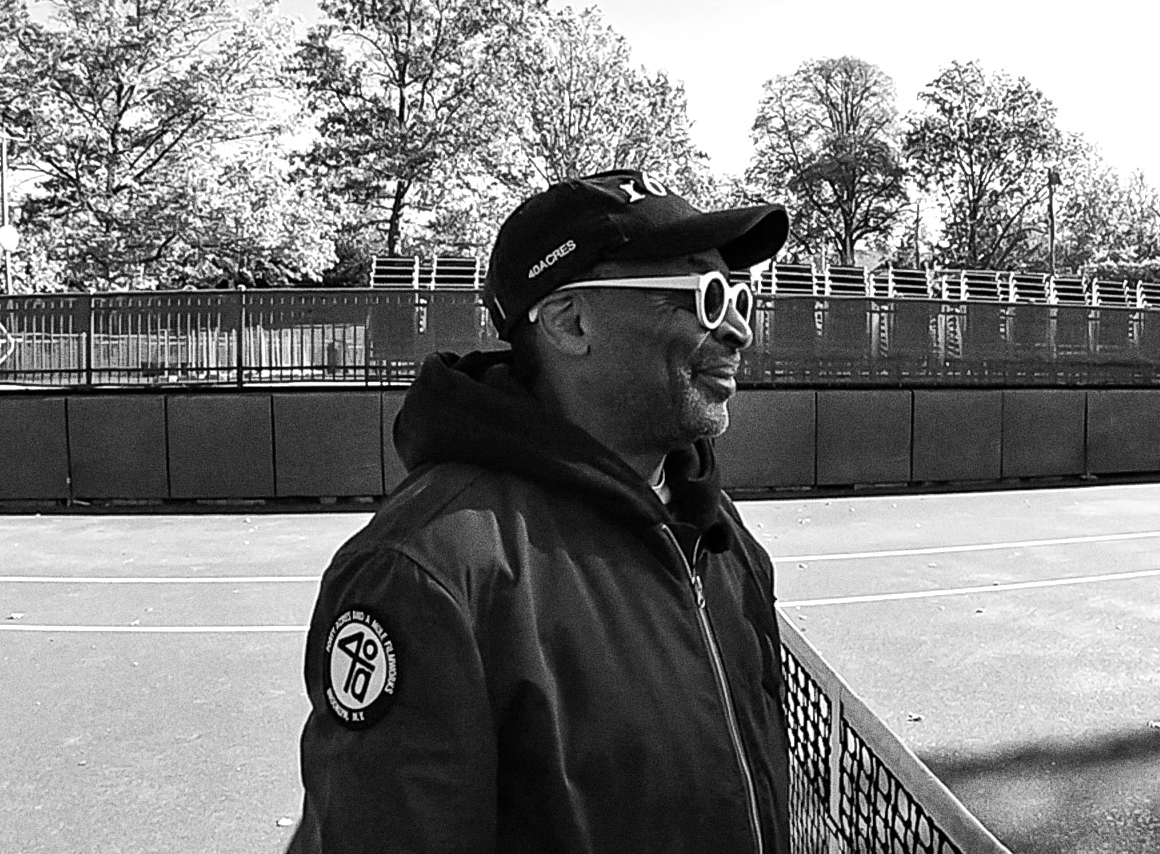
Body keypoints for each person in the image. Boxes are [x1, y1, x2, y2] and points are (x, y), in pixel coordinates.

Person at [287, 168, 793, 854]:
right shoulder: (426, 572)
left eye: (740, 294)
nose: (738, 329)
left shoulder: (721, 535)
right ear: (571, 322)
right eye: (705, 297)